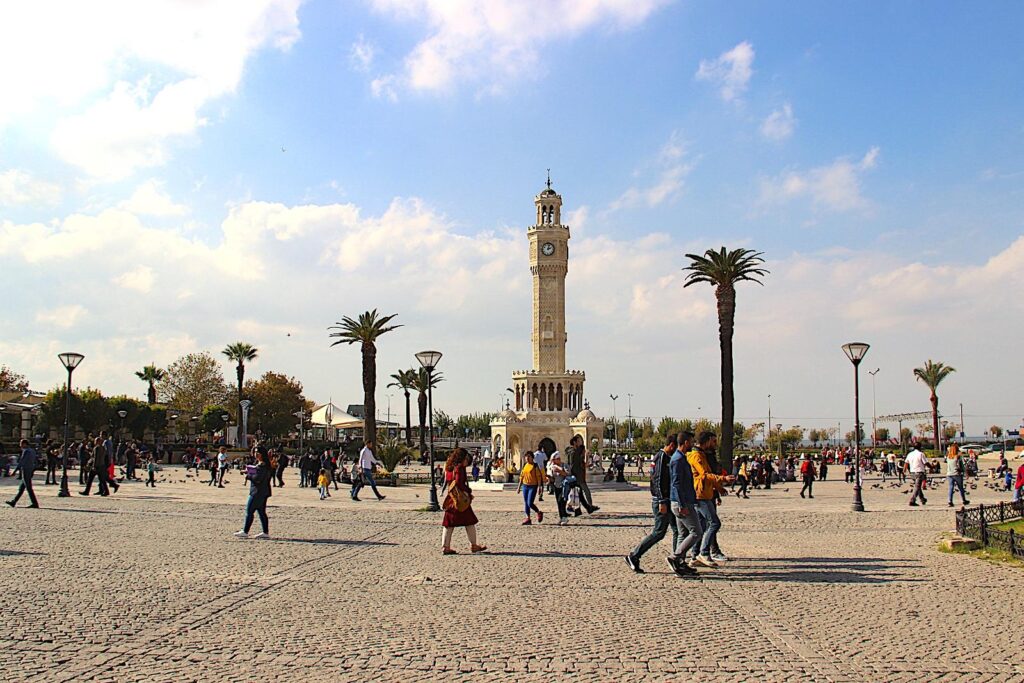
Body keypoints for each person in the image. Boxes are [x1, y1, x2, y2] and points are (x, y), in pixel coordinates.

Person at [625, 435, 681, 574]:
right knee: (659, 532)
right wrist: (661, 500)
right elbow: (657, 481)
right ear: (672, 445)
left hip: (669, 499)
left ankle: (677, 559)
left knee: (677, 530)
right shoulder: (661, 457)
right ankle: (634, 555)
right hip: (662, 500)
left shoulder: (667, 458)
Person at [688, 431, 735, 568]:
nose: (715, 444)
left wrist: (718, 488)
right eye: (714, 441)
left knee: (702, 526)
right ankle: (704, 552)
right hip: (701, 495)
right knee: (714, 523)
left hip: (706, 493)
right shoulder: (696, 456)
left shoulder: (703, 454)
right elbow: (705, 474)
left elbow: (708, 475)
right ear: (707, 441)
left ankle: (695, 555)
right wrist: (723, 479)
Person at [667, 431, 701, 578]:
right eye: (691, 441)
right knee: (697, 532)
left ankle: (680, 563)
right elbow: (676, 484)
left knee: (683, 533)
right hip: (681, 502)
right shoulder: (678, 460)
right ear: (686, 442)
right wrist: (682, 504)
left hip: (682, 501)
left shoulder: (681, 458)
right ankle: (676, 557)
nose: (693, 444)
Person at [441, 448, 487, 555]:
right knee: (469, 521)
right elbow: (459, 483)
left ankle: (445, 546)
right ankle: (474, 545)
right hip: (460, 499)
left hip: (451, 498)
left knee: (449, 523)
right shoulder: (459, 468)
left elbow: (449, 482)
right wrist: (468, 490)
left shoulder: (449, 467)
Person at [235, 448, 272, 539]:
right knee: (261, 512)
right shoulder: (263, 465)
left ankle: (245, 531)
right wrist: (249, 471)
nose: (256, 454)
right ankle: (265, 532)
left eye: (258, 453)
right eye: (255, 452)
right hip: (262, 491)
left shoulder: (263, 465)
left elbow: (258, 479)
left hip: (257, 492)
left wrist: (248, 475)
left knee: (249, 511)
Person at [566, 434, 599, 515]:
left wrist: (586, 456)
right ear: (574, 442)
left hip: (578, 475)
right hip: (576, 476)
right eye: (578, 441)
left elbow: (583, 464)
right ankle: (588, 507)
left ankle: (584, 508)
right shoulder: (573, 452)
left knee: (579, 493)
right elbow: (574, 464)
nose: (580, 443)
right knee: (580, 492)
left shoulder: (574, 452)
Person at [6, 439, 40, 508]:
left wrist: (15, 471)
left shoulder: (26, 451)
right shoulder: (32, 451)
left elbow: (22, 462)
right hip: (30, 470)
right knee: (21, 488)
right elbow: (36, 461)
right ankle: (14, 501)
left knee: (28, 488)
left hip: (26, 470)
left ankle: (35, 503)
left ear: (25, 444)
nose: (20, 445)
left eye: (21, 443)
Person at [516, 451, 544, 525]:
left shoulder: (535, 466)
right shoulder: (525, 465)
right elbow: (522, 476)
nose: (527, 458)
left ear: (532, 458)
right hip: (525, 486)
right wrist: (519, 487)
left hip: (533, 486)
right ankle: (528, 518)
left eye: (529, 456)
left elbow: (538, 477)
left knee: (530, 503)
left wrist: (539, 487)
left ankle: (538, 512)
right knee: (526, 503)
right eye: (526, 456)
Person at [546, 452, 570, 524]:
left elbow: (567, 474)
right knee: (558, 502)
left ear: (558, 459)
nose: (553, 461)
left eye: (554, 460)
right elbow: (553, 478)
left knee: (562, 501)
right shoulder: (553, 466)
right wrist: (549, 477)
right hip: (556, 486)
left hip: (564, 486)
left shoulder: (564, 465)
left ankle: (565, 517)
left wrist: (560, 471)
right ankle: (561, 517)